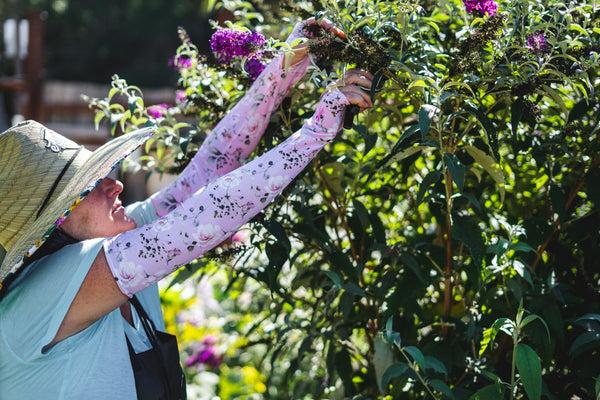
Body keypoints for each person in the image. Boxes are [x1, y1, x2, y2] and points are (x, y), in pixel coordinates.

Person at [0, 17, 374, 399]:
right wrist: (315, 131)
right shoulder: (47, 292)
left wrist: (286, 65)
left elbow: (214, 164)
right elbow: (209, 214)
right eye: (91, 187)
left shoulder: (121, 238)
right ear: (56, 223)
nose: (116, 185)